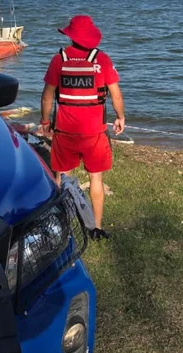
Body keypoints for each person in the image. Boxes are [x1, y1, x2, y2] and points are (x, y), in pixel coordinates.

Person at [39, 15, 125, 240]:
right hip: (94, 133)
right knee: (96, 178)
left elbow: (47, 96)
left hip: (65, 131)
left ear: (70, 36)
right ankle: (96, 227)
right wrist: (120, 117)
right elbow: (115, 94)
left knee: (62, 176)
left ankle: (61, 225)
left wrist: (45, 121)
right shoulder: (102, 60)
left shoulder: (59, 60)